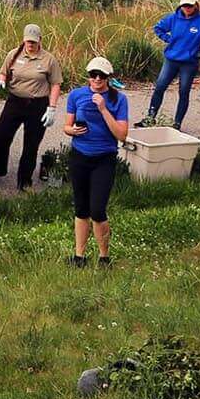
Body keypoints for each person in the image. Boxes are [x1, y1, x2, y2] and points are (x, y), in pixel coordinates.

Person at [62, 56, 131, 268]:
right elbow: (67, 125)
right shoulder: (76, 95)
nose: (97, 79)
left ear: (108, 78)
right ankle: (79, 256)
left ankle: (104, 256)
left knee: (98, 210)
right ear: (88, 77)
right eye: (93, 75)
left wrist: (103, 109)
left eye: (102, 76)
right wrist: (70, 130)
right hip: (80, 155)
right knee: (81, 208)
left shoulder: (118, 99)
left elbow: (121, 135)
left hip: (104, 158)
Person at [0, 24, 63, 191]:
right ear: (23, 39)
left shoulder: (49, 60)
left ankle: (24, 181)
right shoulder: (14, 54)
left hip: (37, 105)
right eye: (28, 41)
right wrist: (1, 80)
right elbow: (3, 71)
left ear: (40, 40)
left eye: (33, 42)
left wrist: (52, 108)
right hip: (15, 102)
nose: (30, 45)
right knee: (2, 134)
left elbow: (55, 84)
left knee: (31, 145)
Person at [149, 0, 200, 129]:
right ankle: (150, 118)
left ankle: (177, 124)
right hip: (171, 60)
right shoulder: (173, 18)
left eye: (190, 6)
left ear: (196, 5)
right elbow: (158, 28)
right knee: (159, 87)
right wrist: (168, 39)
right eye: (184, 6)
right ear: (180, 5)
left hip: (189, 63)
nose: (187, 9)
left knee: (183, 92)